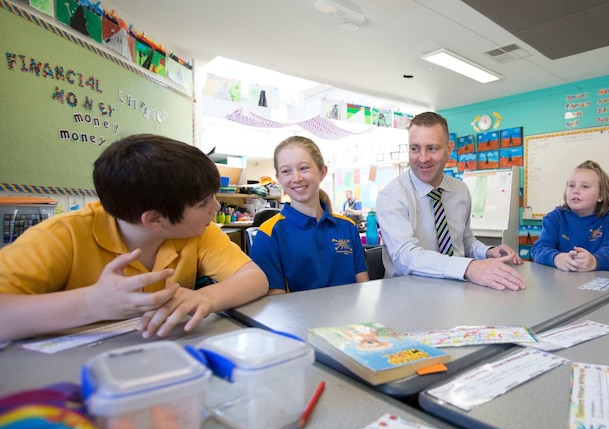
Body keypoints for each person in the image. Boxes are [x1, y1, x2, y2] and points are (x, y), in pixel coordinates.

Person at [0, 134, 269, 342]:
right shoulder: (62, 235)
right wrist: (92, 304)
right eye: (203, 203)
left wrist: (208, 297)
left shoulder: (197, 231)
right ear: (154, 220)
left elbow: (254, 278)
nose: (217, 208)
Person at [376, 112, 526, 291]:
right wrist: (468, 267)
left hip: (456, 290)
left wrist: (486, 252)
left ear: (449, 149)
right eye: (415, 148)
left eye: (432, 148)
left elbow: (464, 240)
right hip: (408, 295)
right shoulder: (392, 197)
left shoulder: (460, 190)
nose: (423, 158)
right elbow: (405, 257)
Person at [250, 136, 368, 294]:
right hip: (298, 318)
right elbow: (275, 305)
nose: (296, 178)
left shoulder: (347, 227)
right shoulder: (269, 234)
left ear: (322, 172)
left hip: (353, 318)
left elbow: (363, 288)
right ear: (279, 179)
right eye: (286, 171)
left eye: (304, 168)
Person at [531, 160, 609, 272]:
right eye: (571, 185)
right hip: (562, 284)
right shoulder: (555, 218)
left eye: (584, 186)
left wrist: (595, 261)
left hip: (596, 284)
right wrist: (557, 258)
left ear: (600, 195)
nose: (576, 191)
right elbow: (539, 248)